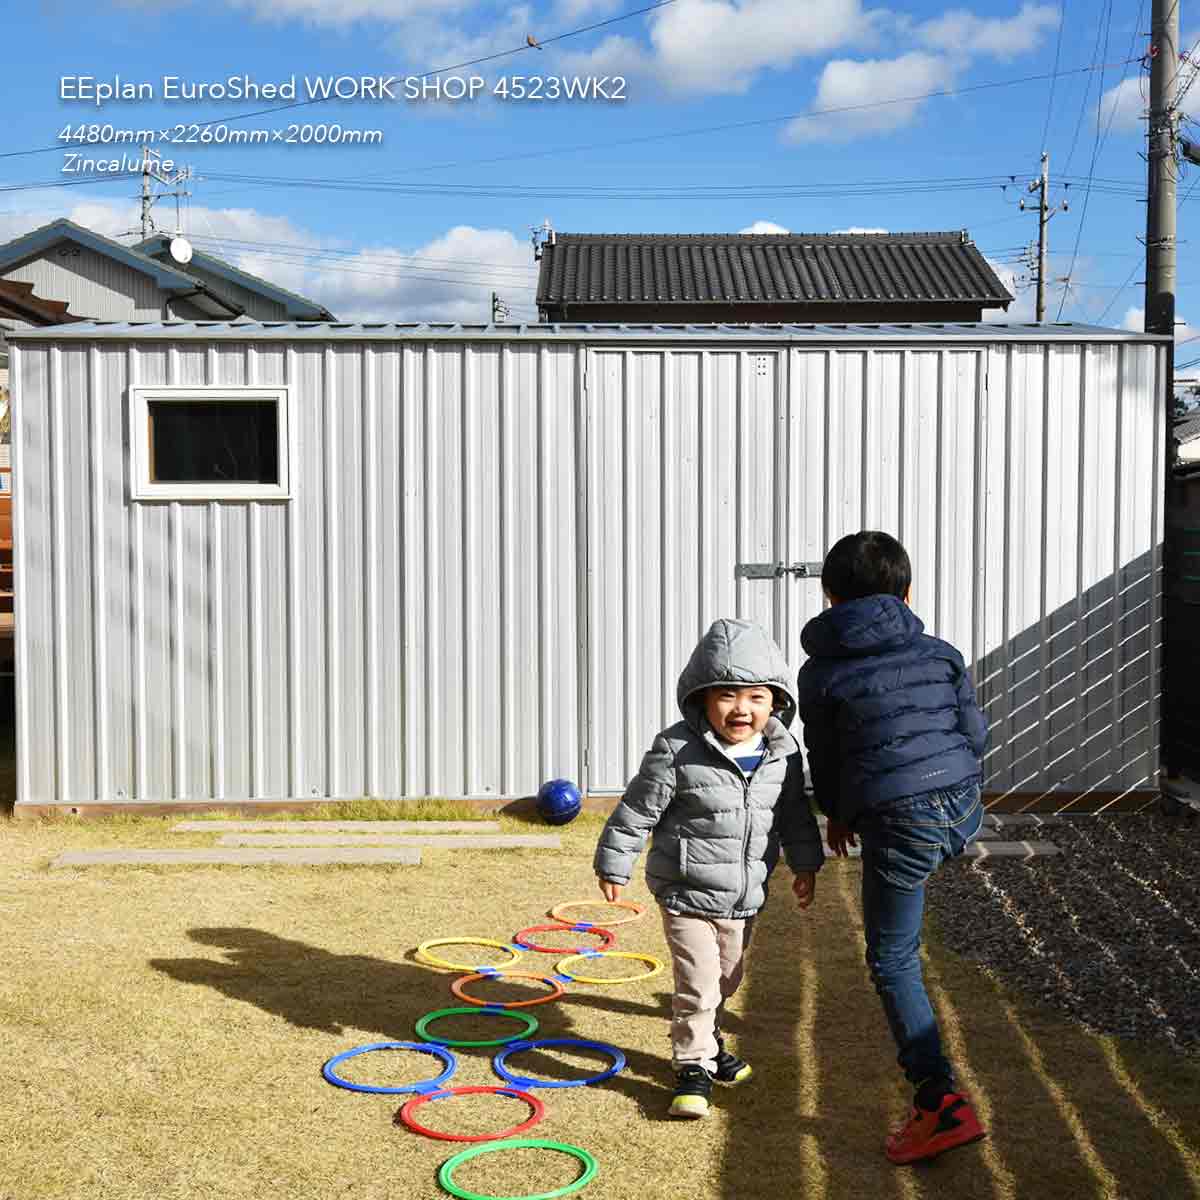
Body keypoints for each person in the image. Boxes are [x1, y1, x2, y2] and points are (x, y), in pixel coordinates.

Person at [796, 530, 990, 1165]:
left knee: (893, 958)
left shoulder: (821, 671)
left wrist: (837, 814)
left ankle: (940, 1101)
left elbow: (825, 760)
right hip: (962, 803)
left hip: (900, 815)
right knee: (916, 864)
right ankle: (939, 841)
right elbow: (975, 733)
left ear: (829, 598)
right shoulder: (940, 651)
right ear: (908, 592)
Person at [593, 617, 824, 1119]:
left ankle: (710, 1040)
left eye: (756, 697)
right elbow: (637, 810)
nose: (741, 708)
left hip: (744, 897)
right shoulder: (676, 750)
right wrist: (616, 862)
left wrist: (806, 864)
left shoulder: (783, 755)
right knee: (698, 982)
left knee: (727, 980)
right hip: (685, 892)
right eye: (726, 695)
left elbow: (795, 817)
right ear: (701, 698)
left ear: (776, 702)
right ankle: (692, 1066)